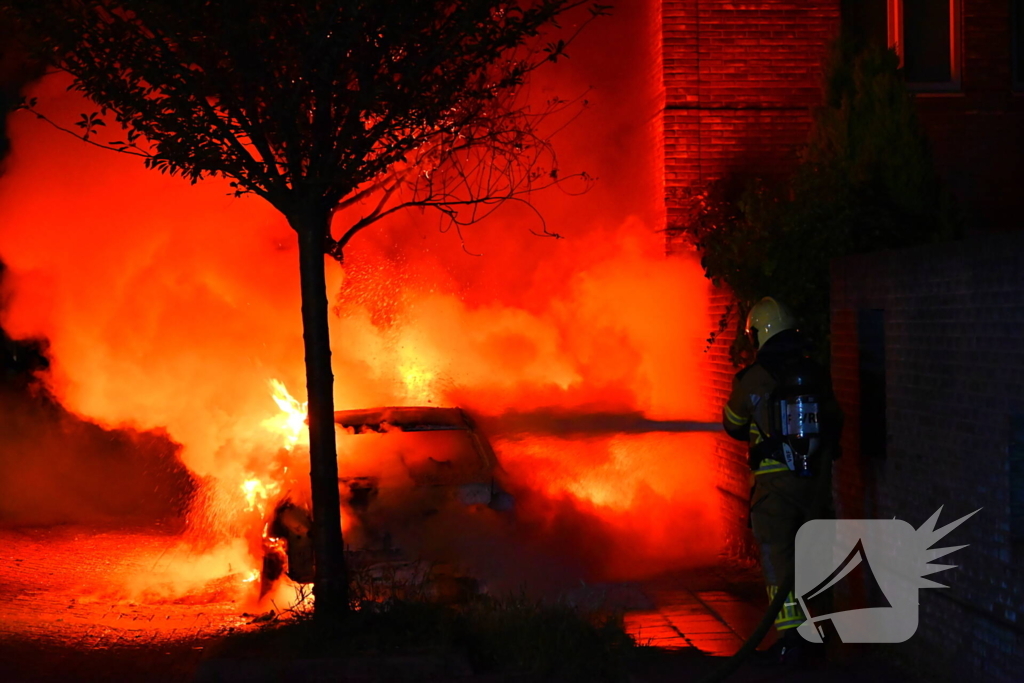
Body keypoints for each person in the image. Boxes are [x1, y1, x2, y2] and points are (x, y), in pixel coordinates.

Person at [722, 297, 842, 664]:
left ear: (760, 334)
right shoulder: (816, 373)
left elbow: (733, 425)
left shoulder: (751, 379)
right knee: (816, 557)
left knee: (778, 558)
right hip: (815, 483)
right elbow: (836, 421)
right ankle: (820, 633)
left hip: (774, 490)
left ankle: (792, 639)